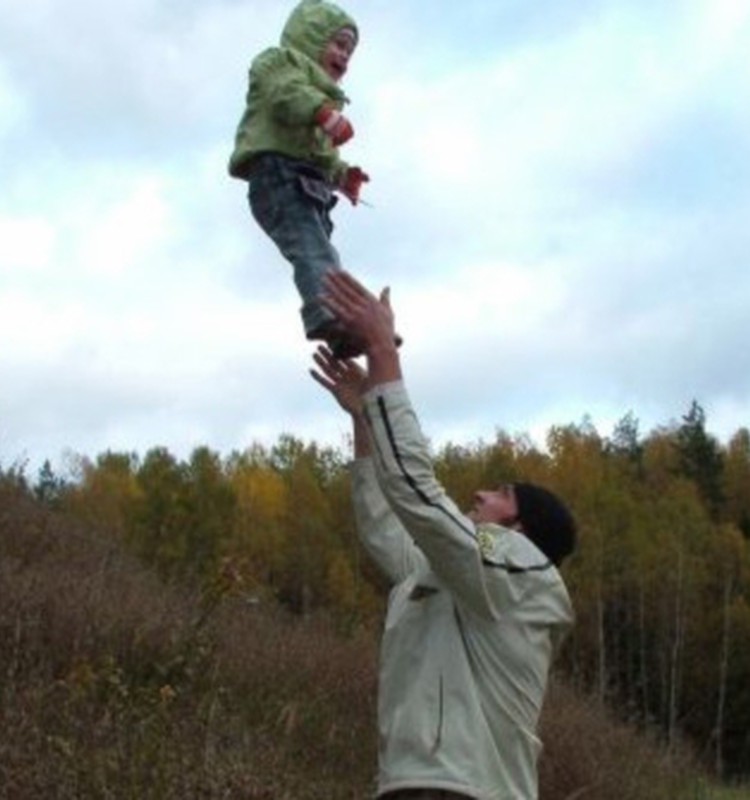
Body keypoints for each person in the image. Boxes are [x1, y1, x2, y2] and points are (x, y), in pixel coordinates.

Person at [310, 270, 576, 800]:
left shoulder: (522, 570)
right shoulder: (456, 578)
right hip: (413, 785)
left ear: (517, 528)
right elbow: (387, 529)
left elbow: (422, 499)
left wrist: (385, 353)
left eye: (501, 493)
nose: (479, 495)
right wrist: (365, 420)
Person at [228, 0, 369, 359]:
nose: (344, 56)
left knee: (325, 252)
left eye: (349, 51)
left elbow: (322, 154)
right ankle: (327, 314)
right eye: (338, 44)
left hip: (308, 180)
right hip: (276, 173)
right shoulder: (278, 62)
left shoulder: (326, 100)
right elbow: (284, 96)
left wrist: (342, 175)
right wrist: (322, 114)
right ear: (312, 39)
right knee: (312, 246)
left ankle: (344, 332)